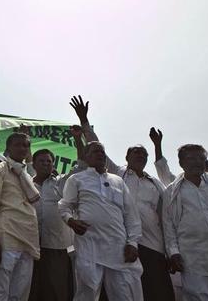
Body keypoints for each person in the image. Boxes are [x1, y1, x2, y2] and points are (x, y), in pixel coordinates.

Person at [70, 96, 174, 300]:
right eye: (135, 153)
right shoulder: (118, 174)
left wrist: (157, 146)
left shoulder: (154, 183)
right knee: (120, 290)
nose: (140, 156)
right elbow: (95, 146)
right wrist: (84, 120)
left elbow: (169, 186)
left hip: (153, 244)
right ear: (126, 157)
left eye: (143, 154)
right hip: (120, 242)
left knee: (154, 290)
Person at [59, 141, 143, 301]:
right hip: (89, 246)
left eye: (103, 152)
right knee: (87, 293)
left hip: (118, 248)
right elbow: (64, 205)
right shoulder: (77, 179)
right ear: (86, 156)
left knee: (125, 294)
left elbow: (131, 215)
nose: (101, 155)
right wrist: (71, 221)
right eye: (96, 151)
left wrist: (133, 243)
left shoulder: (118, 181)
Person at [163, 144, 208, 300]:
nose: (197, 162)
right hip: (193, 256)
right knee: (198, 297)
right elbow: (168, 224)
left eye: (201, 158)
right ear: (181, 163)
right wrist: (173, 252)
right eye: (191, 158)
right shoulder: (172, 191)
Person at [0, 132, 41, 301]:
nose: (22, 148)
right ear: (8, 147)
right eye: (18, 145)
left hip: (28, 240)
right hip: (6, 236)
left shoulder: (27, 176)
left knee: (19, 293)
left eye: (26, 145)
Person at [29, 148, 75, 301]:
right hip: (30, 246)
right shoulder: (26, 183)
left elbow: (81, 166)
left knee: (56, 291)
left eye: (49, 161)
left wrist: (77, 139)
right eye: (41, 161)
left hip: (56, 247)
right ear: (33, 164)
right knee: (30, 290)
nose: (46, 164)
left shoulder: (61, 182)